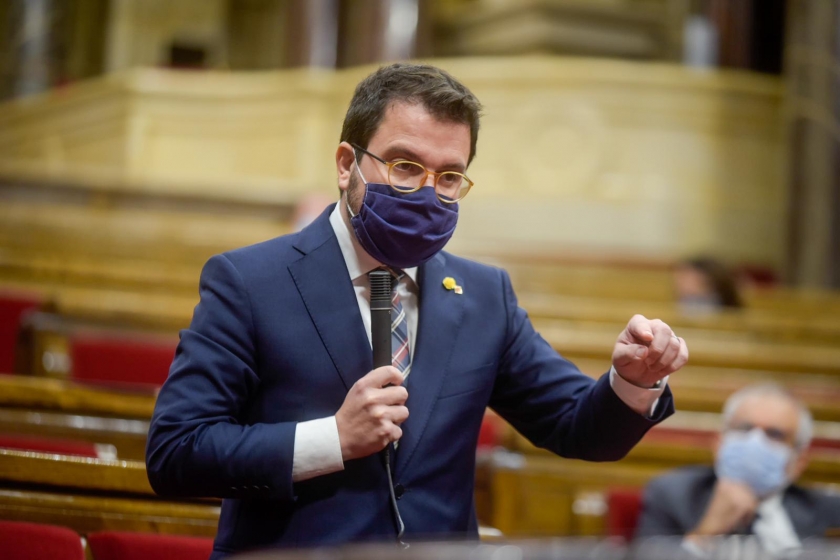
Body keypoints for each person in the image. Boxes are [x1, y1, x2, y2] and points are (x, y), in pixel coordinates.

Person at [146, 63, 689, 559]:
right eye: (405, 166)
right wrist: (332, 438)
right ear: (346, 164)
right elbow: (176, 453)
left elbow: (578, 429)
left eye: (449, 177)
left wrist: (631, 383)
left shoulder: (483, 295)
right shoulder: (249, 281)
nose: (428, 192)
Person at [635, 384, 840, 557]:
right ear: (719, 444)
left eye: (775, 435)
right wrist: (705, 535)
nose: (755, 443)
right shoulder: (674, 495)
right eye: (744, 429)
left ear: (800, 462)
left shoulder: (829, 512)